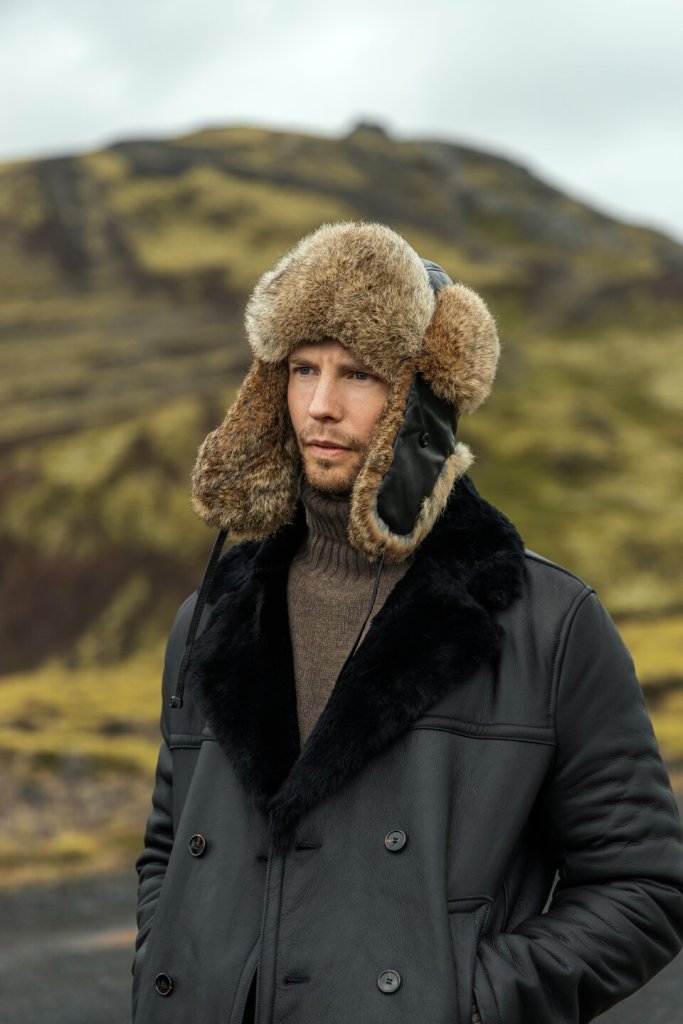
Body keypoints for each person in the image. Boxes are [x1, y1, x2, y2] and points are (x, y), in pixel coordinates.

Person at [132, 221, 683, 1024]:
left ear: (423, 400)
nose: (320, 405)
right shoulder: (213, 612)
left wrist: (464, 1001)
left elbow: (643, 886)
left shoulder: (548, 624)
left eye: (358, 374)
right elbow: (168, 848)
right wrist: (165, 961)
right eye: (303, 369)